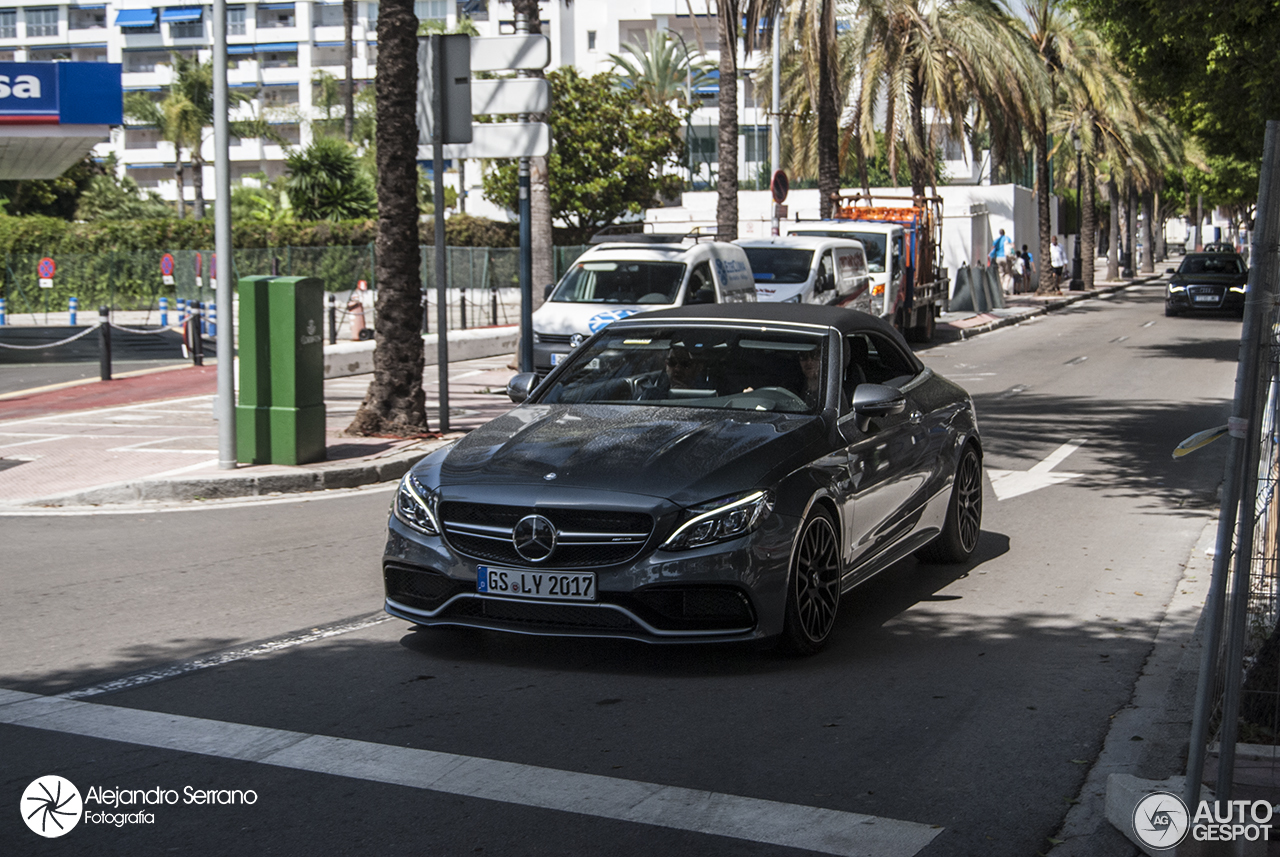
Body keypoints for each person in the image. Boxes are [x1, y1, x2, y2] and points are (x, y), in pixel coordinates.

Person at [988, 228, 1015, 294]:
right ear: (1004, 233)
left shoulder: (996, 240)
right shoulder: (1007, 239)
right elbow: (1012, 246)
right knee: (1008, 273)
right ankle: (1005, 287)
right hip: (1006, 258)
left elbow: (993, 249)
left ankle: (1000, 288)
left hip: (998, 258)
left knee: (1000, 273)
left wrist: (990, 256)